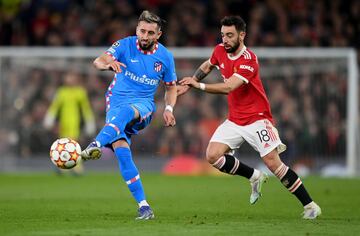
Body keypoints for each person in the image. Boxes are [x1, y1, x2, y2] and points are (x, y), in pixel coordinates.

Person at [178, 15, 321, 219]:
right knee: (212, 155)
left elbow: (229, 87)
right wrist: (192, 79)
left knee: (273, 162)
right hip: (235, 119)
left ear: (242, 35)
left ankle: (310, 205)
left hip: (257, 119)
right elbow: (208, 65)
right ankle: (254, 176)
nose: (225, 40)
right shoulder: (220, 50)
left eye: (229, 35)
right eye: (222, 35)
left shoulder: (249, 60)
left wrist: (198, 86)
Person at [81, 10, 177, 220]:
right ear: (136, 30)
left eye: (150, 33)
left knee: (127, 112)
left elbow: (171, 88)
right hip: (115, 102)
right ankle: (144, 206)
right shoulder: (124, 45)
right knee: (123, 153)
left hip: (144, 105)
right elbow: (98, 60)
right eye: (142, 31)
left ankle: (95, 145)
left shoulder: (166, 57)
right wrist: (107, 64)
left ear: (158, 35)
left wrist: (168, 109)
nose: (145, 36)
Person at [44, 72, 96, 175]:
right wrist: (49, 118)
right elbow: (55, 106)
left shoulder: (80, 92)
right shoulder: (62, 92)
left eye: (71, 77)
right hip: (63, 123)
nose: (68, 79)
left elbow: (86, 109)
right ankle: (63, 166)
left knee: (73, 144)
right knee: (62, 145)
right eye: (67, 77)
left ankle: (77, 166)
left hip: (74, 122)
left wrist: (89, 122)